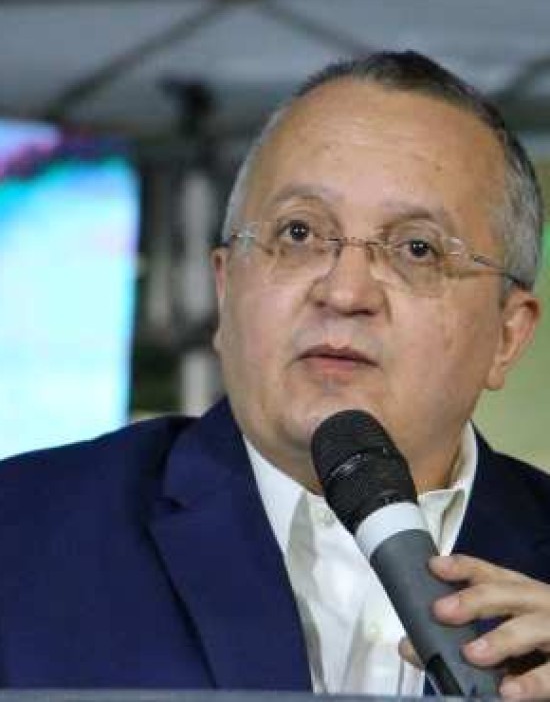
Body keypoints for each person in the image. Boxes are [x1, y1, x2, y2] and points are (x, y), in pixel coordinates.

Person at [0, 50, 549, 699]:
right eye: (298, 233)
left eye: (417, 249)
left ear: (508, 335)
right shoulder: (21, 535)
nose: (344, 292)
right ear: (225, 288)